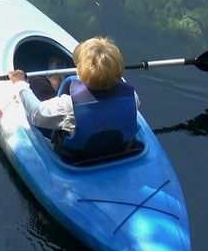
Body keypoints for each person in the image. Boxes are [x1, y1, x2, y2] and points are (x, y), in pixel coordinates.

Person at [7, 37, 140, 162]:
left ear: (79, 73)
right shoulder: (132, 96)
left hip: (77, 159)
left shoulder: (68, 105)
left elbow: (36, 114)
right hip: (118, 150)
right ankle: (55, 80)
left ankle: (54, 81)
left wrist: (20, 84)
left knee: (38, 83)